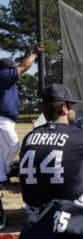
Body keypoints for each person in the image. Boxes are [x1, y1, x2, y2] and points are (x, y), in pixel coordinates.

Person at [19, 83, 83, 213]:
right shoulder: (79, 135)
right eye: (71, 106)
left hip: (33, 209)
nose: (73, 109)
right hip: (68, 208)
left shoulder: (29, 136)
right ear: (64, 109)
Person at [0, 42, 44, 187]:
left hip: (5, 119)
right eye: (12, 68)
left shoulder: (6, 80)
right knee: (13, 146)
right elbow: (24, 67)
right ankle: (3, 174)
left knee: (5, 149)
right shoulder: (3, 76)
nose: (15, 72)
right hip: (2, 119)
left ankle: (2, 175)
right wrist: (35, 53)